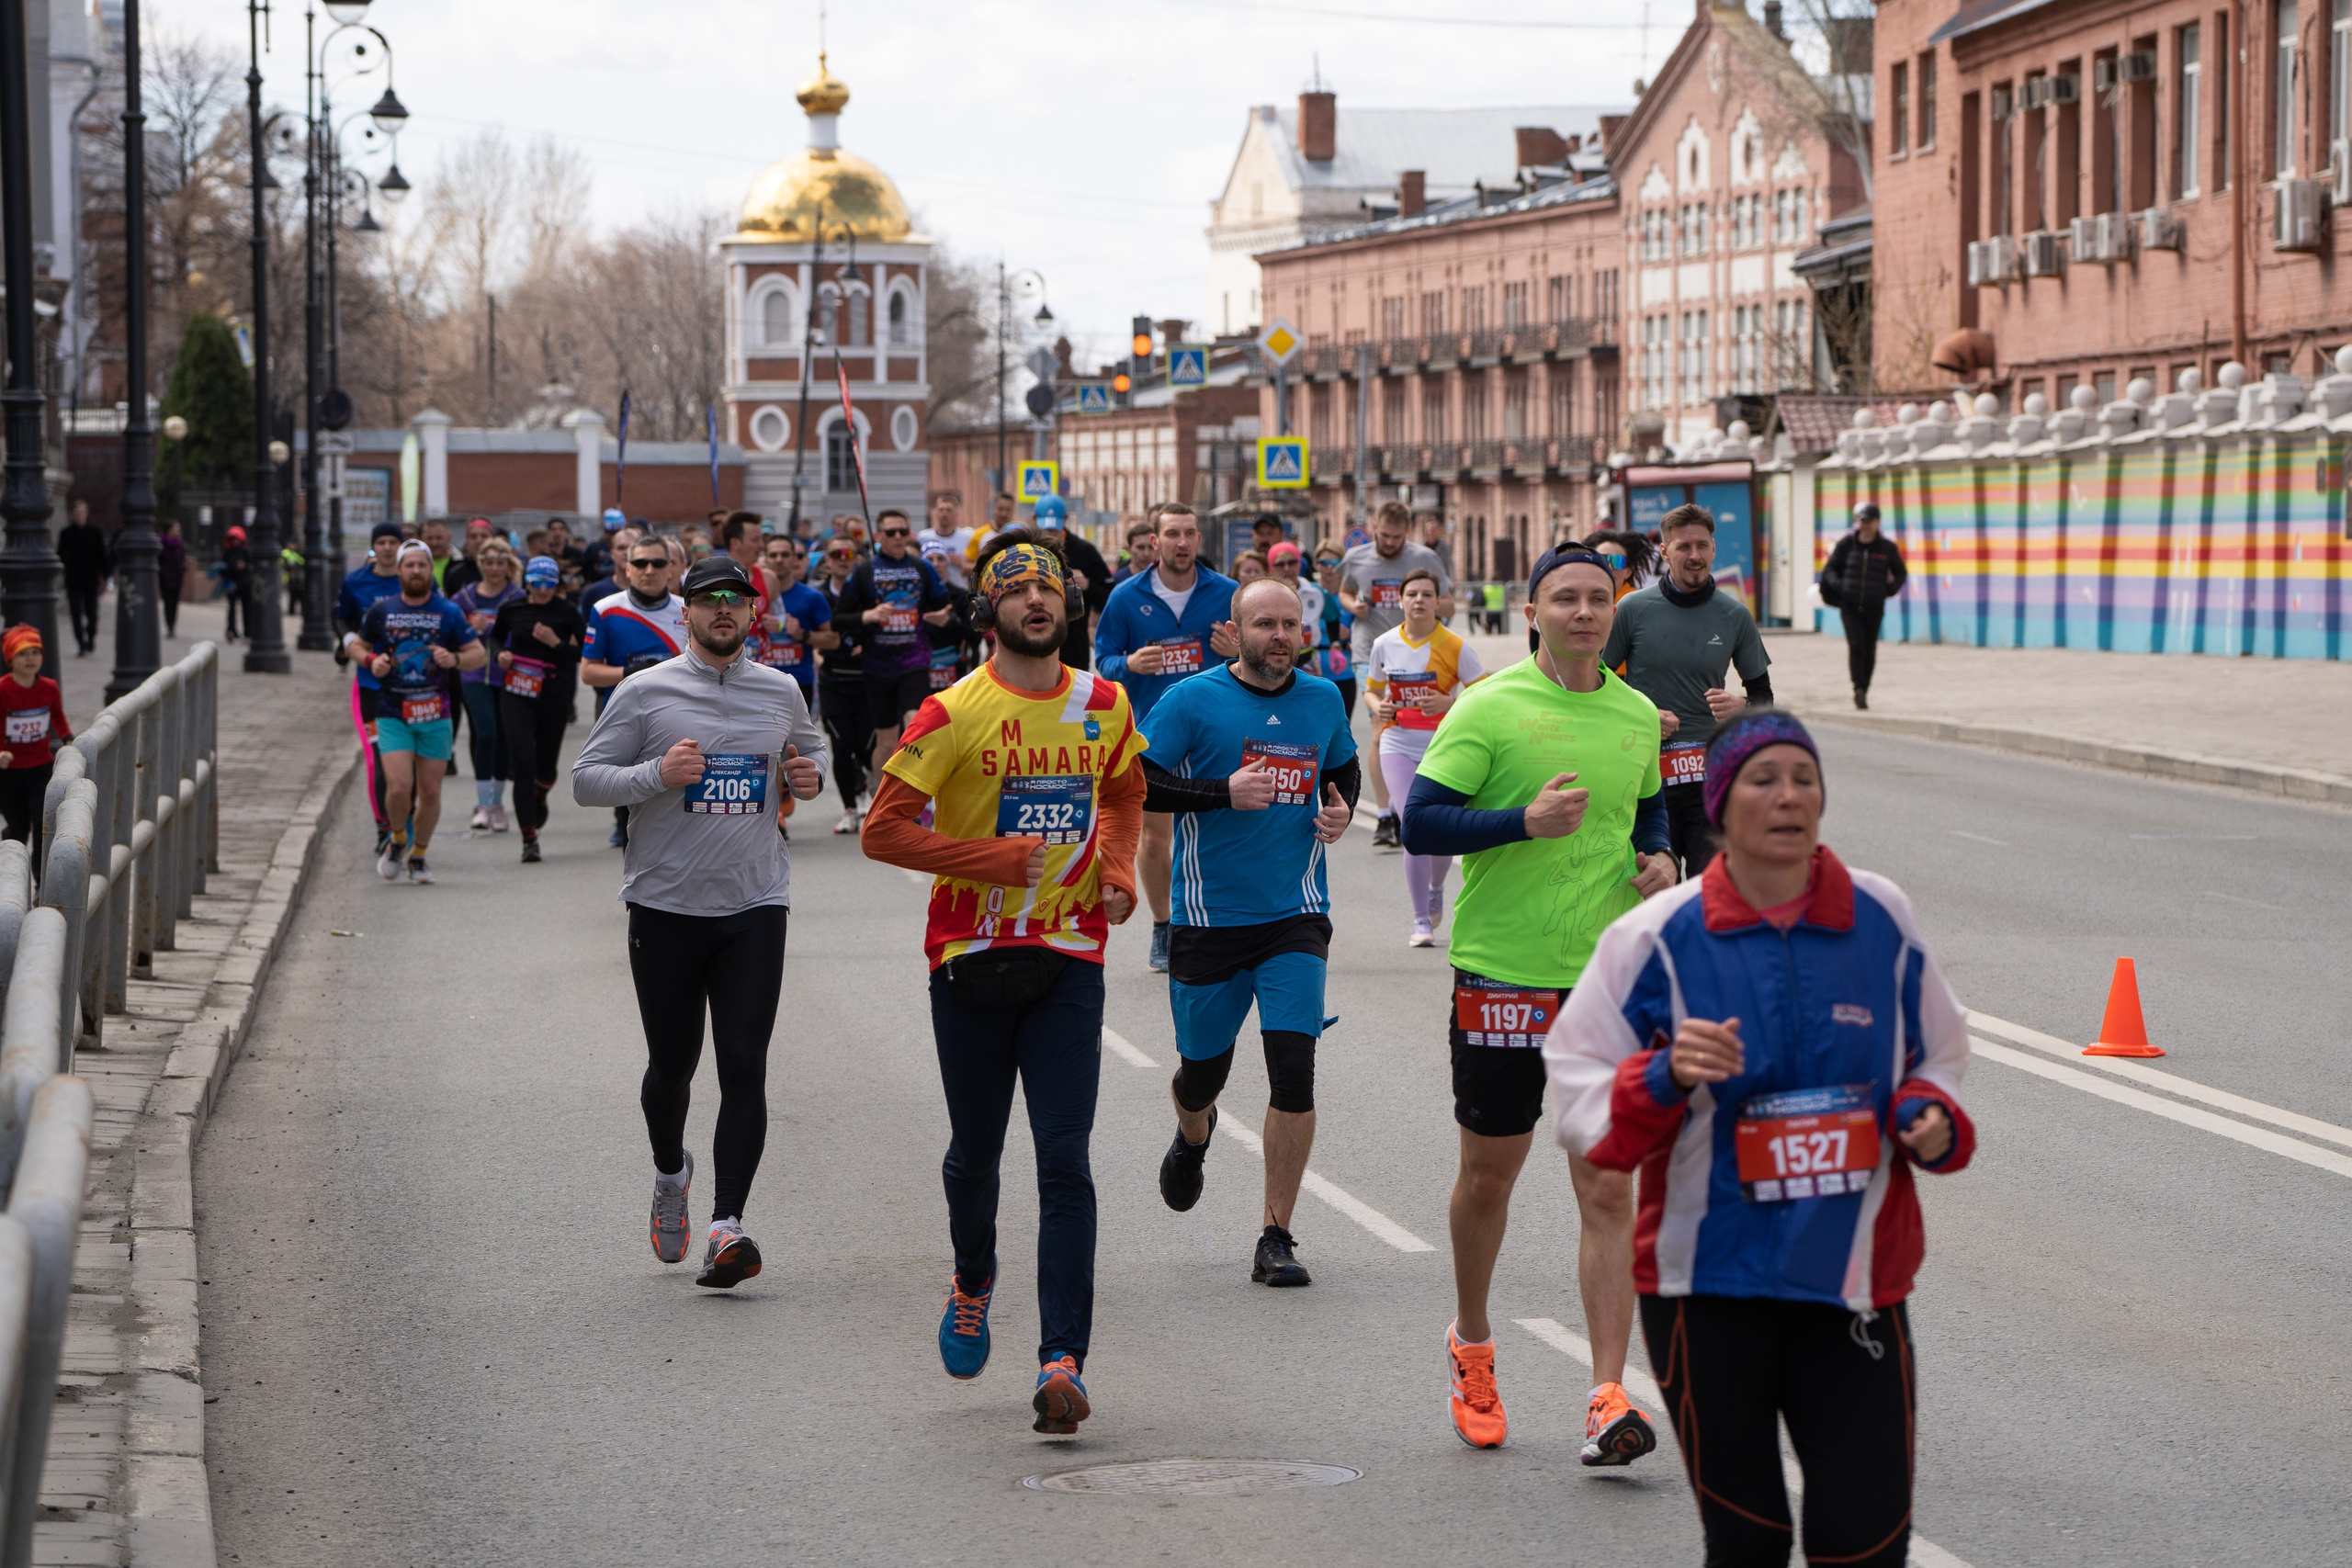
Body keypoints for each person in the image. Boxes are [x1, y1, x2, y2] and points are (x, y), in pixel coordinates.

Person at [1546, 708, 1973, 1567]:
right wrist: (1664, 1075)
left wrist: (1928, 1115)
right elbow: (1581, 1098)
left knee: (1866, 1543)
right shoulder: (1655, 938)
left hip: (1853, 1282)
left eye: (1804, 778)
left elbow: (1940, 1051)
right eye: (1764, 780)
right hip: (1708, 1286)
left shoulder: (1879, 916)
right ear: (1720, 804)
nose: (1789, 797)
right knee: (1748, 1541)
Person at [859, 526, 1145, 1434]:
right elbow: (883, 831)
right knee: (975, 1155)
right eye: (1016, 589)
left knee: (1064, 1159)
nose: (1036, 600)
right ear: (990, 612)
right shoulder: (950, 714)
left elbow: (1124, 791)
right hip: (971, 960)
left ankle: (1063, 1359)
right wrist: (986, 858)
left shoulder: (1103, 702)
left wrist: (1120, 869)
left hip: (1068, 956)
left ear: (1069, 606)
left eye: (1049, 590)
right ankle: (973, 1279)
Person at [1399, 543, 1676, 1461]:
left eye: (1600, 598)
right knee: (1491, 1175)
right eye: (1566, 599)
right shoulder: (1488, 707)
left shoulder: (1637, 714)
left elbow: (1646, 809)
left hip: (1605, 978)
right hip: (1501, 971)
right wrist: (1518, 822)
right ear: (1532, 609)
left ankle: (1606, 1392)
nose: (1585, 613)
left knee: (1606, 1182)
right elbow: (1422, 821)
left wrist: (1660, 855)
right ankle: (1471, 1341)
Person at [573, 555, 829, 1288]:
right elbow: (588, 780)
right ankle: (667, 1173)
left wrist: (807, 776)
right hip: (665, 904)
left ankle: (726, 1225)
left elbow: (810, 755)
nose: (724, 610)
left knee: (744, 1063)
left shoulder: (780, 689)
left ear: (754, 613)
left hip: (755, 903)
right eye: (709, 599)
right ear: (684, 611)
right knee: (673, 1066)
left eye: (737, 600)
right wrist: (657, 775)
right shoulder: (644, 691)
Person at [1136, 577, 1357, 1286]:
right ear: (1236, 629)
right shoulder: (1193, 700)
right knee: (1202, 1070)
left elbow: (1343, 769)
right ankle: (1193, 1132)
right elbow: (1136, 781)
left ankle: (1276, 1235)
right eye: (1265, 623)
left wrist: (1342, 810)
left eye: (1291, 623)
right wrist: (1219, 793)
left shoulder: (1323, 698)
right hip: (1208, 920)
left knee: (1294, 1071)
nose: (1281, 636)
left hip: (1295, 915)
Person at [1093, 502, 1239, 974]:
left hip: (1217, 730)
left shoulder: (1229, 593)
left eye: (1190, 533)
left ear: (1199, 540)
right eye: (1172, 533)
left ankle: (1218, 924)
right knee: (1155, 838)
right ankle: (1164, 926)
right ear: (1154, 542)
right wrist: (1130, 665)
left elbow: (1263, 654)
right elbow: (1105, 661)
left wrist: (1237, 650)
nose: (1182, 542)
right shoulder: (1125, 597)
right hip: (1151, 731)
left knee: (1218, 832)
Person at [1600, 502, 1773, 879]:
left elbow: (1764, 698)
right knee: (1653, 888)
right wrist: (1642, 715)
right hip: (1643, 774)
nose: (1694, 556)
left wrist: (1741, 705)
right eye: (1683, 547)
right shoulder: (1632, 609)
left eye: (1701, 546)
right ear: (1665, 552)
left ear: (1713, 548)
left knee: (1704, 891)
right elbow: (1596, 682)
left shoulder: (1734, 616)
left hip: (1707, 777)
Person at [352, 542, 487, 884]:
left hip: (435, 713)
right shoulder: (382, 611)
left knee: (429, 793)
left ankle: (419, 855)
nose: (415, 571)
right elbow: (357, 644)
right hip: (392, 710)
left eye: (421, 565)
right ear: (399, 571)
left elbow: (478, 654)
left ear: (430, 570)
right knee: (399, 788)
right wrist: (372, 661)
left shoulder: (449, 612)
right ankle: (398, 837)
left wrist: (454, 659)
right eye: (409, 565)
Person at [1366, 570, 1487, 946]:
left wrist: (1449, 702)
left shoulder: (1455, 646)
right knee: (1414, 827)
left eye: (1426, 594)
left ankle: (1436, 887)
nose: (1418, 600)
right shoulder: (1384, 643)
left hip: (1443, 746)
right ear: (1400, 601)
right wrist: (1379, 707)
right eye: (1411, 594)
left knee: (1442, 830)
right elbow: (1372, 691)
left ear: (1439, 602)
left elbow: (1484, 697)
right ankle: (1421, 920)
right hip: (1397, 742)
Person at [1340, 500, 1453, 846]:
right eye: (1384, 535)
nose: (1389, 543)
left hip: (1416, 655)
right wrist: (1353, 605)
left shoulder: (1424, 559)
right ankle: (1386, 815)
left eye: (1396, 537)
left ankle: (1412, 806)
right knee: (1382, 726)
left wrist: (1425, 609)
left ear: (1408, 532)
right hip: (1370, 651)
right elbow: (1343, 590)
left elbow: (1449, 602)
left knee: (1414, 729)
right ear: (1375, 528)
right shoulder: (1358, 557)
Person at [835, 507, 956, 800]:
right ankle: (880, 795)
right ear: (878, 537)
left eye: (904, 531)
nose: (899, 537)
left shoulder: (921, 567)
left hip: (915, 661)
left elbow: (946, 606)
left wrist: (942, 617)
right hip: (878, 667)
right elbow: (839, 619)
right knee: (887, 742)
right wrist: (869, 616)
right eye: (891, 532)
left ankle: (918, 793)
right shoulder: (865, 571)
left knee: (917, 724)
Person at [582, 537, 688, 848]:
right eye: (641, 563)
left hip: (674, 706)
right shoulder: (605, 609)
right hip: (619, 705)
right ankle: (623, 822)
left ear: (671, 569)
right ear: (627, 568)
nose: (649, 570)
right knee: (621, 771)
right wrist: (634, 674)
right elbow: (588, 672)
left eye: (658, 563)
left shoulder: (687, 610)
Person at [491, 556, 586, 863]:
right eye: (536, 583)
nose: (542, 589)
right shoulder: (513, 608)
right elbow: (494, 638)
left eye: (549, 583)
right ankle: (529, 839)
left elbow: (585, 652)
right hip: (516, 692)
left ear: (557, 583)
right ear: (527, 582)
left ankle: (541, 793)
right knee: (523, 763)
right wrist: (501, 654)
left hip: (553, 694)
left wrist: (556, 642)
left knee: (545, 768)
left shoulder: (567, 611)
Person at [337, 521, 411, 853]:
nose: (386, 547)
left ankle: (405, 823)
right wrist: (350, 642)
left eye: (392, 541)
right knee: (378, 759)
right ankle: (384, 827)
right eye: (380, 542)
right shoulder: (356, 581)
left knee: (411, 761)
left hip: (412, 685)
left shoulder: (413, 576)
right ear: (373, 547)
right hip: (370, 684)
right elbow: (341, 618)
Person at [452, 541, 522, 833]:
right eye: (489, 562)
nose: (494, 568)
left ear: (509, 565)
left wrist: (503, 642)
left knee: (504, 736)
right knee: (486, 733)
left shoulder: (517, 597)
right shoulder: (464, 598)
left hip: (507, 676)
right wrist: (471, 628)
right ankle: (482, 805)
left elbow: (524, 632)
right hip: (474, 675)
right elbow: (449, 632)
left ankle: (497, 805)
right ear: (480, 564)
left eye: (500, 562)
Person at [1820, 502, 1908, 710]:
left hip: (1874, 605)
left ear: (1877, 523)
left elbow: (1900, 573)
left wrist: (1888, 590)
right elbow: (1830, 569)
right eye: (1862, 521)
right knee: (1856, 644)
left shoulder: (1886, 548)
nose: (1865, 525)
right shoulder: (1847, 544)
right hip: (1849, 605)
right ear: (1857, 522)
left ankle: (1864, 688)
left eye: (1869, 521)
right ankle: (1858, 687)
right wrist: (1840, 587)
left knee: (1869, 648)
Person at [811, 536, 871, 833]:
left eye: (849, 553)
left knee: (866, 747)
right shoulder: (819, 596)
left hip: (865, 680)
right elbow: (810, 633)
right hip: (833, 679)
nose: (843, 558)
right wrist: (819, 655)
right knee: (841, 744)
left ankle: (867, 796)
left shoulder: (866, 592)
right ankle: (849, 809)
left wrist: (868, 645)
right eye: (837, 553)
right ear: (828, 559)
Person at [0, 627, 70, 853]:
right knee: (19, 828)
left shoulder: (49, 687)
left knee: (43, 824)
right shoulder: (3, 690)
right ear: (10, 659)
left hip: (41, 766)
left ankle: (40, 879)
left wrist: (68, 737)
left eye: (35, 652)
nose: (30, 658)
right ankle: (9, 861)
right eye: (22, 653)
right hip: (8, 771)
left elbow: (57, 715)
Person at [1030, 496, 1111, 670]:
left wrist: (1088, 586)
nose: (1050, 534)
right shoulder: (1025, 552)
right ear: (1034, 520)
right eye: (1046, 529)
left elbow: (1110, 597)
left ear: (1065, 520)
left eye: (1054, 529)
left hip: (1074, 651)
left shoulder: (1085, 551)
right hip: (1033, 646)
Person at [56, 500, 110, 657]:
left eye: (82, 512)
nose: (80, 516)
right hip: (73, 579)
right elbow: (61, 555)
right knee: (75, 612)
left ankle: (91, 637)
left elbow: (102, 555)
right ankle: (81, 643)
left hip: (91, 579)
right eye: (77, 513)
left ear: (86, 514)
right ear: (72, 514)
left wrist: (105, 576)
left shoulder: (95, 532)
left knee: (92, 612)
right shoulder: (66, 533)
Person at [1312, 546, 1355, 715]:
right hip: (1312, 671)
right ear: (1316, 564)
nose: (1329, 567)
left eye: (1335, 563)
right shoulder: (1310, 593)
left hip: (1343, 672)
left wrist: (1350, 632)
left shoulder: (1349, 596)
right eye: (1324, 562)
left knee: (1342, 729)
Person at [918, 492, 975, 592]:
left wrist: (961, 563)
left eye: (949, 510)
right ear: (935, 513)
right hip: (931, 592)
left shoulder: (967, 536)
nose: (944, 514)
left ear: (956, 514)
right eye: (941, 510)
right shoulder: (923, 537)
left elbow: (979, 568)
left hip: (959, 592)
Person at [220, 525, 252, 642]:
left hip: (245, 583)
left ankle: (248, 631)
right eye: (232, 539)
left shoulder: (245, 552)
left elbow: (252, 567)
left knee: (247, 608)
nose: (235, 541)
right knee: (232, 608)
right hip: (231, 583)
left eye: (236, 539)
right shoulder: (227, 552)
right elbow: (222, 567)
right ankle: (231, 630)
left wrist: (244, 567)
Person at [158, 518, 186, 638]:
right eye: (175, 528)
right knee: (168, 603)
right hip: (165, 578)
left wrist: (183, 568)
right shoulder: (161, 544)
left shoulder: (179, 544)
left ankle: (172, 626)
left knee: (174, 604)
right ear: (169, 530)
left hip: (177, 578)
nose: (177, 531)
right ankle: (169, 626)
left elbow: (182, 559)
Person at [1113, 519, 1157, 584]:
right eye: (1140, 548)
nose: (1146, 553)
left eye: (1151, 547)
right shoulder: (1117, 580)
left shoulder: (1165, 580)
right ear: (1129, 549)